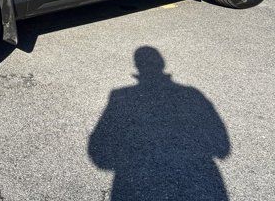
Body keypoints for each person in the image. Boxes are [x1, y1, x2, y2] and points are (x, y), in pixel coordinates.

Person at [88, 46, 230, 200]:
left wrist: (124, 163)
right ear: (162, 64)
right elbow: (222, 148)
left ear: (137, 66)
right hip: (198, 183)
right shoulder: (192, 94)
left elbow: (98, 147)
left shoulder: (120, 96)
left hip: (134, 183)